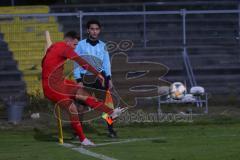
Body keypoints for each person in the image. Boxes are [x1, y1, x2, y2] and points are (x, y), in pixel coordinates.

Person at [41, 31, 124, 146]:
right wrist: (97, 74)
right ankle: (82, 138)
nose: (76, 47)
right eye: (75, 45)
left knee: (83, 95)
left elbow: (44, 62)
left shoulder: (55, 46)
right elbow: (81, 62)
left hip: (62, 83)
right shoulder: (65, 48)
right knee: (74, 108)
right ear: (68, 41)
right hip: (52, 87)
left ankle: (111, 113)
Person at [73, 20, 117, 138]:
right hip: (85, 78)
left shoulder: (103, 45)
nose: (94, 31)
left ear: (99, 30)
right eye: (92, 29)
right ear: (88, 30)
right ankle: (78, 132)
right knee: (80, 106)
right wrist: (78, 80)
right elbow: (76, 62)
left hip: (100, 78)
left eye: (96, 29)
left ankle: (111, 130)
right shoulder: (81, 45)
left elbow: (106, 63)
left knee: (106, 106)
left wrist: (109, 78)